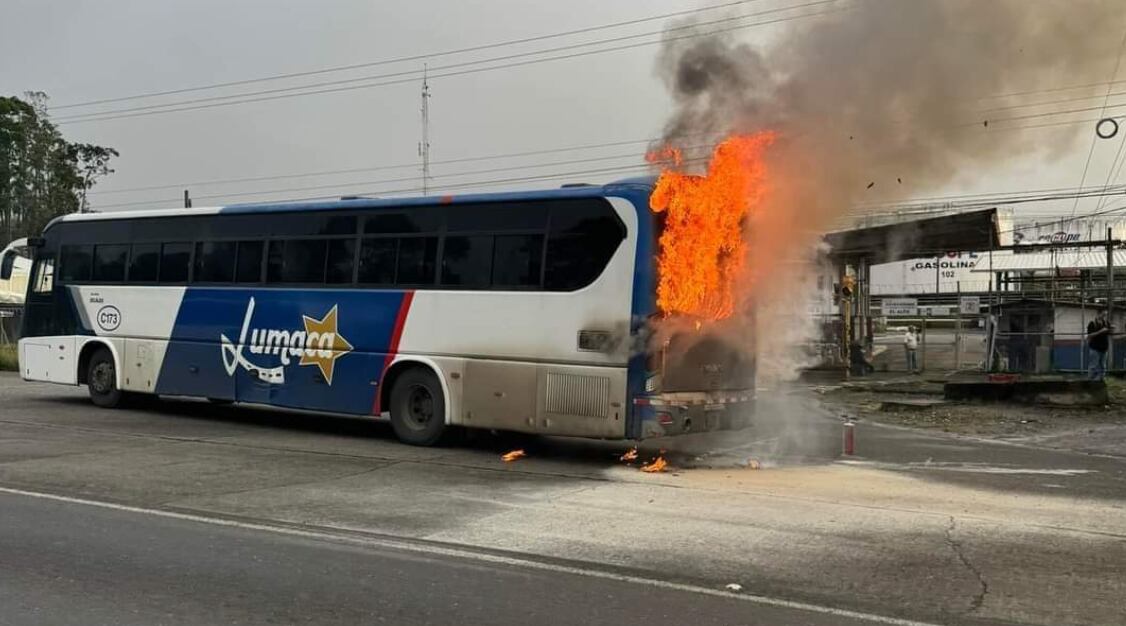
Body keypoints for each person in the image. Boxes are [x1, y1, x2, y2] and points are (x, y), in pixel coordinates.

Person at [1086, 311, 1112, 381]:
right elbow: (1089, 335)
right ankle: (1090, 381)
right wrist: (1100, 331)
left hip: (1104, 348)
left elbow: (1109, 333)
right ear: (1098, 314)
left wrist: (1111, 329)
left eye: (1105, 315)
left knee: (1103, 366)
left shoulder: (1106, 323)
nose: (1104, 316)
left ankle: (1101, 380)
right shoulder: (1092, 323)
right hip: (1095, 348)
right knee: (1093, 365)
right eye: (1103, 314)